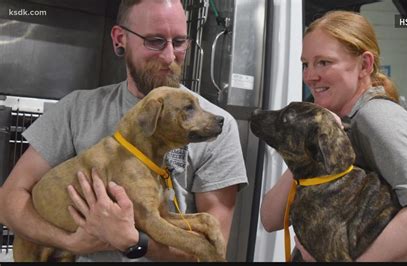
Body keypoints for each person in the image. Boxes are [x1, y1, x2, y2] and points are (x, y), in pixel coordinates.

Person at [1, 0, 247, 262]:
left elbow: (211, 250)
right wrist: (73, 242)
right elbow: (9, 200)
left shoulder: (219, 127)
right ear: (120, 39)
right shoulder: (76, 108)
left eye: (179, 42)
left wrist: (132, 241)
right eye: (155, 41)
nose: (169, 56)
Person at [260, 10, 407, 262]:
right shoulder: (334, 124)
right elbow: (270, 219)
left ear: (365, 65)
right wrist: (309, 151)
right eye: (306, 64)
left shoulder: (376, 117)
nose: (310, 76)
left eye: (324, 62)